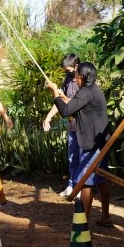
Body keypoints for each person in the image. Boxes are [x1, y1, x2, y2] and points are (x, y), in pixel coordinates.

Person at [45, 62, 113, 226]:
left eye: (76, 76)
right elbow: (77, 109)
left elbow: (65, 111)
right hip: (101, 142)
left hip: (93, 145)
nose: (74, 79)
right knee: (101, 178)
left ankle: (82, 226)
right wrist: (63, 98)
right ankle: (105, 217)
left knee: (84, 182)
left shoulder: (86, 92)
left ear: (81, 77)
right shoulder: (93, 90)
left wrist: (54, 92)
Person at [42, 54, 81, 197]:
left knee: (82, 158)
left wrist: (57, 92)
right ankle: (72, 185)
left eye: (68, 70)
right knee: (72, 157)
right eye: (65, 71)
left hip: (83, 127)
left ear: (76, 66)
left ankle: (81, 187)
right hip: (72, 126)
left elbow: (73, 105)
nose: (67, 73)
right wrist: (48, 118)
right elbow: (60, 103)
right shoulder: (68, 80)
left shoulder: (82, 81)